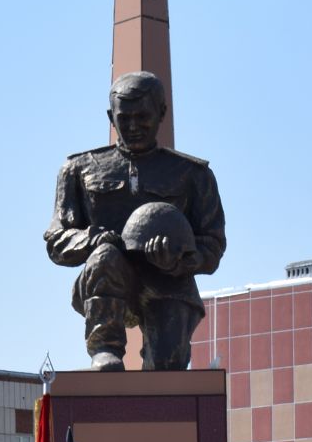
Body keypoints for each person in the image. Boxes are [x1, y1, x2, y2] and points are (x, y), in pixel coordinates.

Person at [44, 70, 226, 371]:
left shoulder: (193, 175)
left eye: (142, 117)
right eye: (123, 117)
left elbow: (213, 244)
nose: (132, 126)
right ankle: (105, 349)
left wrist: (180, 259)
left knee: (167, 368)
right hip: (108, 280)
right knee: (105, 255)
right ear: (110, 117)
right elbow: (56, 240)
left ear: (162, 113)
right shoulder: (79, 169)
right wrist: (93, 239)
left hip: (168, 280)